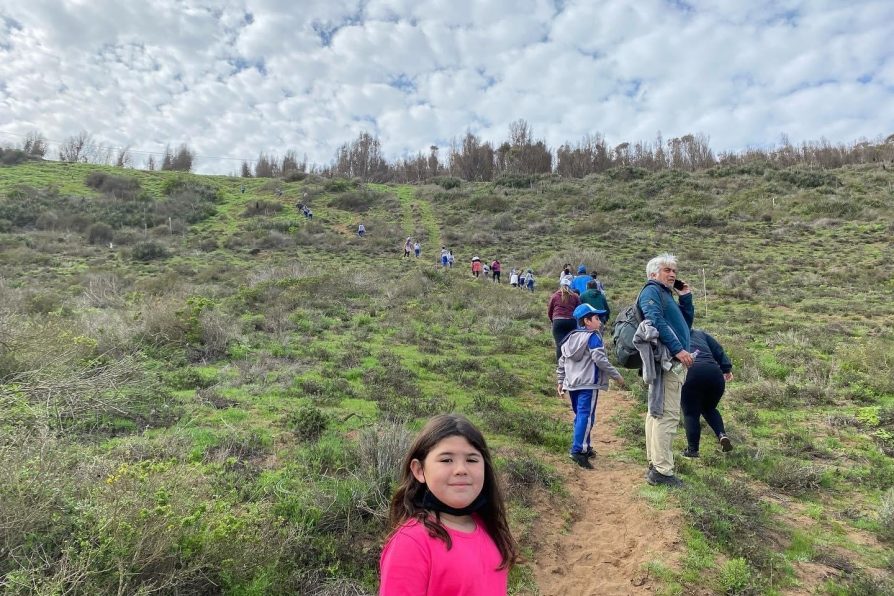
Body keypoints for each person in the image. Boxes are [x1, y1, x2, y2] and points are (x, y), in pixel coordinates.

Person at [379, 414, 517, 595]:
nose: (461, 470)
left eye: (472, 460)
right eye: (446, 460)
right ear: (419, 470)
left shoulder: (487, 525)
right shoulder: (411, 543)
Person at [638, 253, 694, 488]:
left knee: (656, 412)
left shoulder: (664, 294)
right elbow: (655, 321)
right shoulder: (651, 291)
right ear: (653, 273)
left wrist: (686, 298)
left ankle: (655, 463)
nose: (672, 274)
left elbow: (686, 325)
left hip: (669, 360)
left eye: (674, 271)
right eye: (666, 270)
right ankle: (662, 471)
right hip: (667, 361)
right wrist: (678, 349)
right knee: (666, 414)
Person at [556, 304, 626, 469]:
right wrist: (617, 376)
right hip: (588, 383)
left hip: (572, 384)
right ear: (586, 321)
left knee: (581, 416)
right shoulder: (593, 337)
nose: (600, 322)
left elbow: (562, 361)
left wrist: (560, 381)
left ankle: (585, 447)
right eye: (596, 318)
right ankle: (577, 451)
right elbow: (600, 360)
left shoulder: (569, 338)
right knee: (586, 416)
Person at [681, 329, 734, 458]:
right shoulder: (701, 334)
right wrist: (726, 368)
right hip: (714, 373)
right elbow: (718, 349)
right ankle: (722, 435)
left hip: (691, 373)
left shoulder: (674, 333)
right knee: (709, 408)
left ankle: (693, 450)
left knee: (691, 412)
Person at [547, 280, 581, 361]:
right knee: (570, 344)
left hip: (558, 321)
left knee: (560, 344)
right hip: (571, 321)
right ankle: (571, 363)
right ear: (570, 286)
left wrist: (553, 320)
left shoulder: (555, 296)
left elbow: (550, 311)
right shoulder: (575, 296)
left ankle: (560, 365)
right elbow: (579, 309)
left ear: (560, 285)